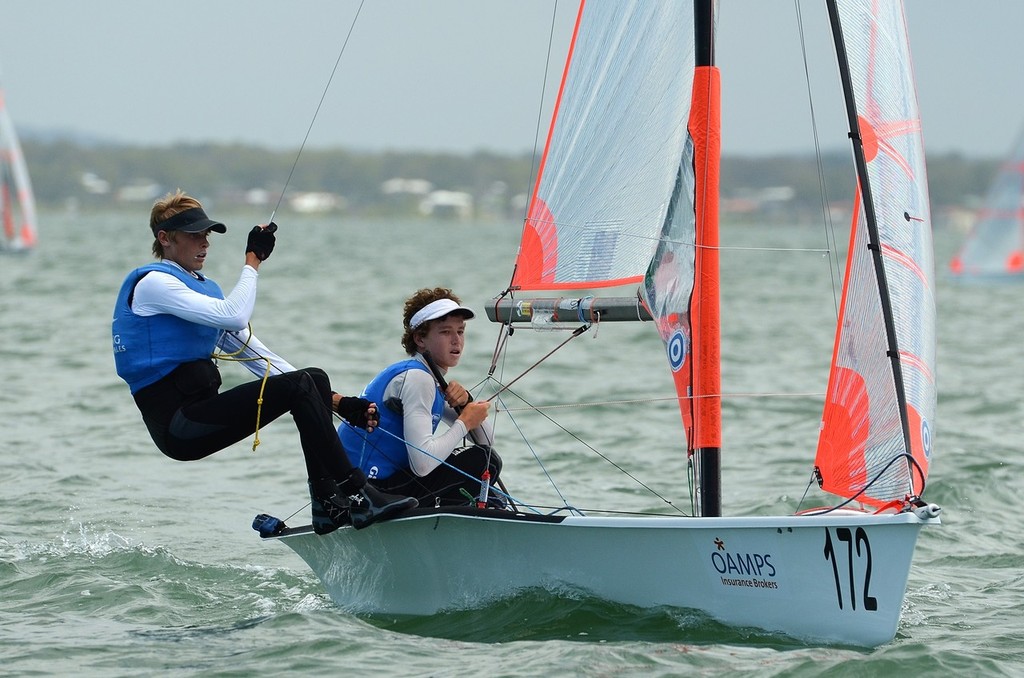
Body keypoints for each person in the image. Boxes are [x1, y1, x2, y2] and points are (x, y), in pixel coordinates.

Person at [111, 190, 416, 535]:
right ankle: (359, 493)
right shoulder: (154, 285)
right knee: (302, 384)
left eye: (206, 234)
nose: (205, 243)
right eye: (194, 235)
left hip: (200, 412)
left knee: (312, 378)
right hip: (177, 428)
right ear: (165, 239)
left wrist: (337, 402)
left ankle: (328, 505)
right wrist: (252, 261)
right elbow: (236, 314)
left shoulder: (199, 291)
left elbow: (259, 357)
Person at [338, 287, 503, 508]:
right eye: (445, 332)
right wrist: (464, 422)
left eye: (460, 331)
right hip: (367, 491)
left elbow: (485, 440)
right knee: (483, 460)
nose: (456, 340)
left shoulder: (428, 378)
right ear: (420, 339)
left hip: (367, 486)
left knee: (485, 460)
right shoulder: (417, 379)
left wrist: (466, 403)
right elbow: (422, 465)